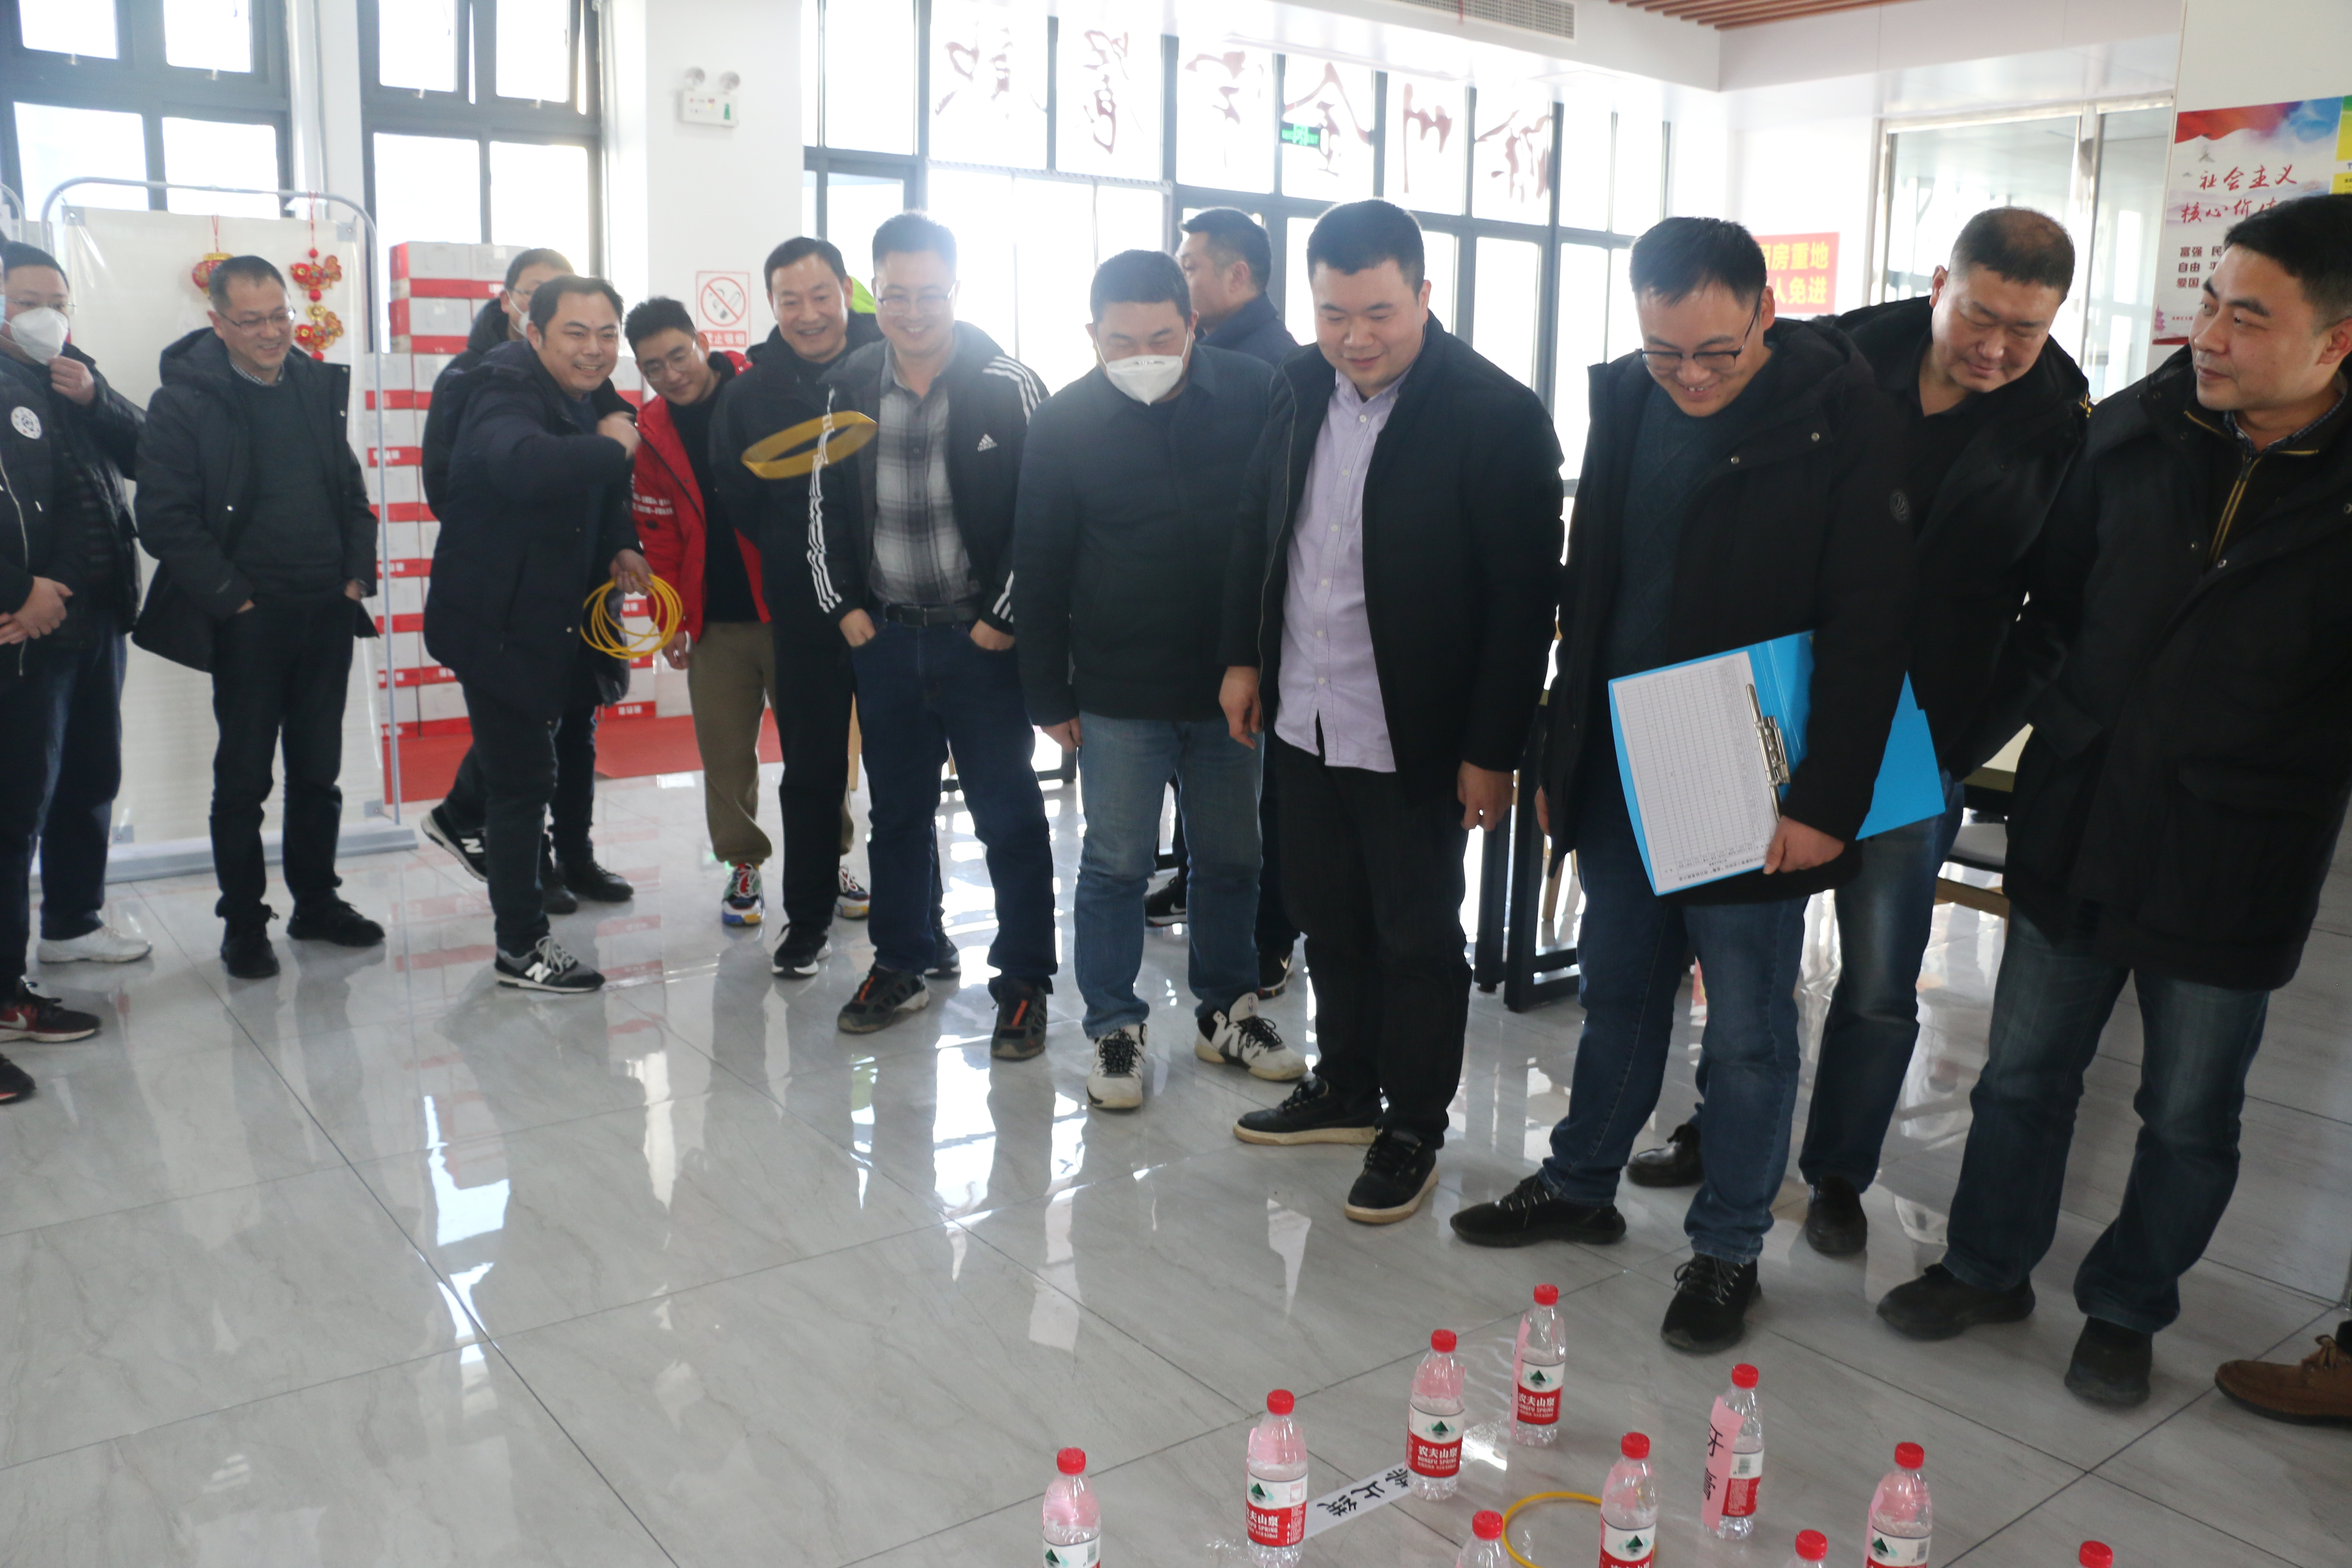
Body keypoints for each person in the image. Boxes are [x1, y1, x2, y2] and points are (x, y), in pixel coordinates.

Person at [1877, 193, 2352, 1409]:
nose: (2211, 335)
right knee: (2022, 1075)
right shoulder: (2133, 432)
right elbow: (2055, 610)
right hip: (2083, 813)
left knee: (2188, 1113)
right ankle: (1986, 1266)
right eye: (2210, 302)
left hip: (2236, 852)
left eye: (2249, 318)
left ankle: (2129, 1307)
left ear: (2336, 342)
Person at [1449, 217, 1911, 1354]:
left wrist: (1825, 802)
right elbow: (1590, 588)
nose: (1691, 377)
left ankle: (1729, 1247)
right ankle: (1582, 1183)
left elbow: (1870, 623)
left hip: (1750, 763)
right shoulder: (1627, 399)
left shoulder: (1838, 416)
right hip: (1621, 754)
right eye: (1666, 351)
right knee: (1619, 991)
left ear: (1765, 312)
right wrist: (1563, 752)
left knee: (1746, 1027)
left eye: (1715, 351)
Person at [1631, 210, 2092, 1255]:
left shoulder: (2061, 427)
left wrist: (1961, 738)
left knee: (1883, 977)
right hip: (1780, 701)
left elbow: (2056, 619)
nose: (1996, 348)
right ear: (1939, 284)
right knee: (1745, 951)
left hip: (1918, 736)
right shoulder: (1827, 363)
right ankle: (1721, 1128)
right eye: (1979, 315)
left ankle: (1839, 1171)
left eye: (2026, 330)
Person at [1217, 200, 1563, 1224]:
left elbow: (1522, 604)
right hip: (1305, 714)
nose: (1355, 338)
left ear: (1423, 295)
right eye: (1334, 314)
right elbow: (1258, 530)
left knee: (1416, 936)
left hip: (1414, 731)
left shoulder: (1494, 414)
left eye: (1378, 313)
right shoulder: (1294, 386)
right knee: (1328, 918)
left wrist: (1492, 750)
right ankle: (1346, 1084)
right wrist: (1243, 657)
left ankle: (1413, 1123)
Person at [1014, 248, 1298, 1112]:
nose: (1143, 355)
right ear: (1092, 336)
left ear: (1194, 326)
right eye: (1122, 341)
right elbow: (1040, 563)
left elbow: (1281, 528)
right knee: (1115, 864)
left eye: (1162, 338)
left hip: (1231, 684)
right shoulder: (1064, 422)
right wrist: (1048, 694)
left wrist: (1269, 660)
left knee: (1234, 858)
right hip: (1118, 686)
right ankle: (1115, 1026)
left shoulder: (1255, 393)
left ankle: (1227, 1011)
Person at [801, 212, 1056, 1054]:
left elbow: (1042, 517)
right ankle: (902, 961)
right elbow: (821, 508)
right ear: (875, 292)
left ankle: (1024, 980)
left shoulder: (1007, 383)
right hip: (887, 642)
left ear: (956, 291)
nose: (913, 311)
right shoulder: (847, 384)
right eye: (896, 295)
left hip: (981, 646)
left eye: (930, 294)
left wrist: (1002, 619)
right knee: (898, 817)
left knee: (1008, 818)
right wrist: (846, 609)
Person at [136, 257, 387, 980]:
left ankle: (317, 903)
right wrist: (233, 599)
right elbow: (164, 516)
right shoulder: (185, 401)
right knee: (244, 778)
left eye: (281, 315)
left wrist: (356, 577)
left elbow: (350, 492)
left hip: (325, 610)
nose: (273, 332)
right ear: (217, 323)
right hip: (248, 618)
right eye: (252, 321)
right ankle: (244, 922)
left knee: (319, 771)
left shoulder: (313, 384)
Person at [425, 275, 652, 993]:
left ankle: (465, 819)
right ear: (533, 333)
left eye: (607, 334)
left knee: (535, 759)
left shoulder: (585, 395)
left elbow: (599, 493)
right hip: (497, 621)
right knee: (524, 783)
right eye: (575, 334)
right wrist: (615, 447)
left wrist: (620, 543)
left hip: (553, 613)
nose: (594, 349)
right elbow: (522, 465)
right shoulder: (500, 387)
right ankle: (520, 948)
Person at [710, 236, 922, 981]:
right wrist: (796, 554)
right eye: (790, 301)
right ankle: (806, 922)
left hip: (896, 608)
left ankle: (917, 925)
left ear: (847, 291)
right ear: (772, 305)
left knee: (902, 775)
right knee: (810, 772)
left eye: (821, 296)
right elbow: (739, 496)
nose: (808, 314)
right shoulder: (749, 395)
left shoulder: (890, 362)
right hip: (804, 615)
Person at [0, 244, 148, 1060]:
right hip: (30, 626)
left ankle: (72, 923)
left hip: (97, 615)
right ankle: (7, 985)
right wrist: (17, 590)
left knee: (90, 775)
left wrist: (96, 397)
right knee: (19, 800)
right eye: (27, 301)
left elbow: (148, 453)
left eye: (57, 301)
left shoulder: (71, 370)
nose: (45, 317)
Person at [1157, 208, 1303, 996]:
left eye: (1190, 266)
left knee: (1261, 793)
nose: (1180, 278)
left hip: (1254, 618)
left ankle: (1269, 935)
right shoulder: (1203, 350)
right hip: (1198, 613)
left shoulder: (1273, 367)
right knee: (1210, 779)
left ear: (1237, 274)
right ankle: (1197, 882)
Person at [622, 297, 773, 924]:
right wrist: (670, 622)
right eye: (653, 367)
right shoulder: (651, 432)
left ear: (702, 343)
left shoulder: (758, 393)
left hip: (786, 609)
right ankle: (742, 865)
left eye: (679, 356)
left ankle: (832, 859)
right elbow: (658, 538)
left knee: (814, 750)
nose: (671, 374)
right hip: (714, 622)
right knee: (725, 756)